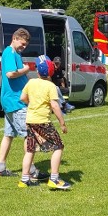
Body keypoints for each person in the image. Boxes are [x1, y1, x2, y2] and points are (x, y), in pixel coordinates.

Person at [0, 28, 46, 180]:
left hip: (10, 100)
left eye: (26, 45)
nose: (24, 47)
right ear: (15, 38)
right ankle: (31, 170)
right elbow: (10, 74)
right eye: (22, 43)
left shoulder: (15, 53)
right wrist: (26, 69)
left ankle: (1, 168)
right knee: (28, 135)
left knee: (8, 134)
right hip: (16, 101)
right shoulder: (9, 52)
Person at [18, 55, 70, 190]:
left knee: (30, 150)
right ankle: (54, 178)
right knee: (58, 146)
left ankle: (24, 180)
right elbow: (55, 105)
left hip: (30, 121)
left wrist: (32, 104)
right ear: (51, 71)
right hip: (43, 122)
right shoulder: (50, 86)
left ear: (37, 71)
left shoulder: (31, 82)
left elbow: (23, 97)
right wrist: (62, 123)